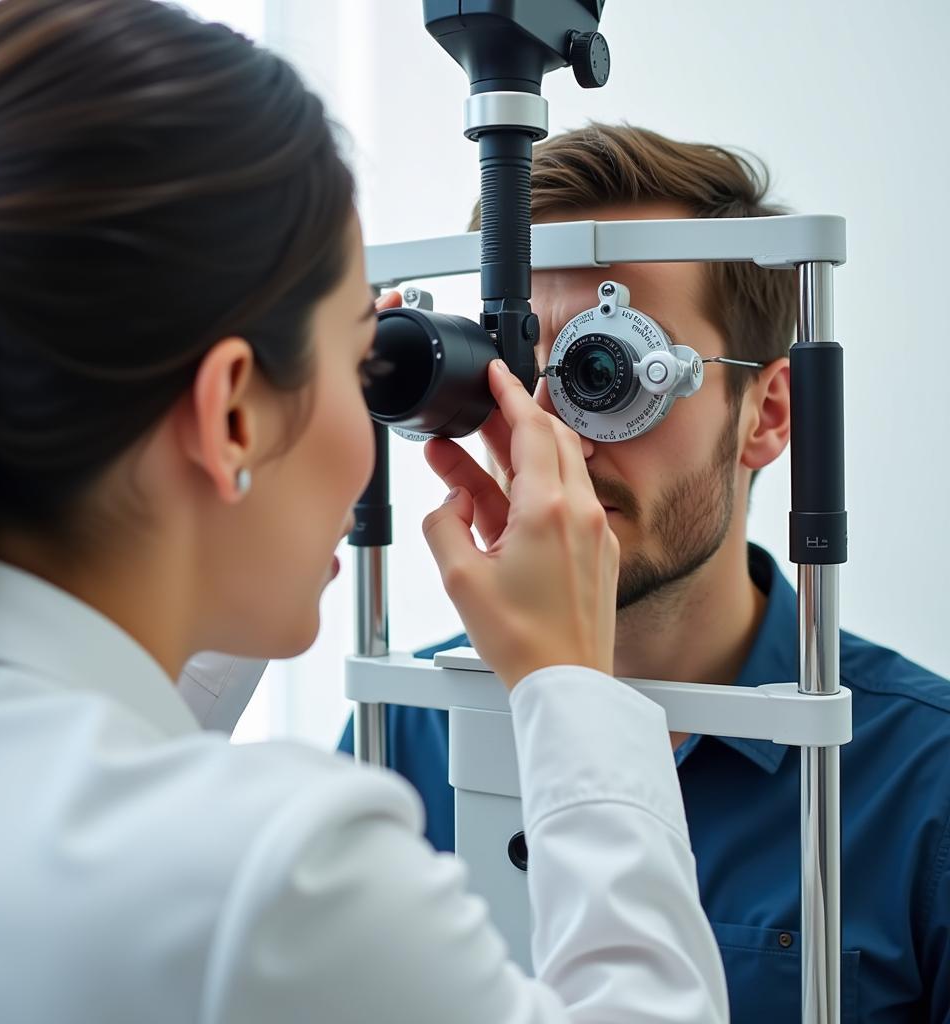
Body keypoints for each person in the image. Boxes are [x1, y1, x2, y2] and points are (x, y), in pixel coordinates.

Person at [0, 3, 730, 1022]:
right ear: (229, 413)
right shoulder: (279, 872)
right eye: (361, 361)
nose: (370, 430)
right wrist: (569, 683)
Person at [340, 124, 950, 1022]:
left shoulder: (922, 786)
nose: (553, 435)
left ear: (767, 413)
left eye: (605, 366)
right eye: (514, 373)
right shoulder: (401, 733)